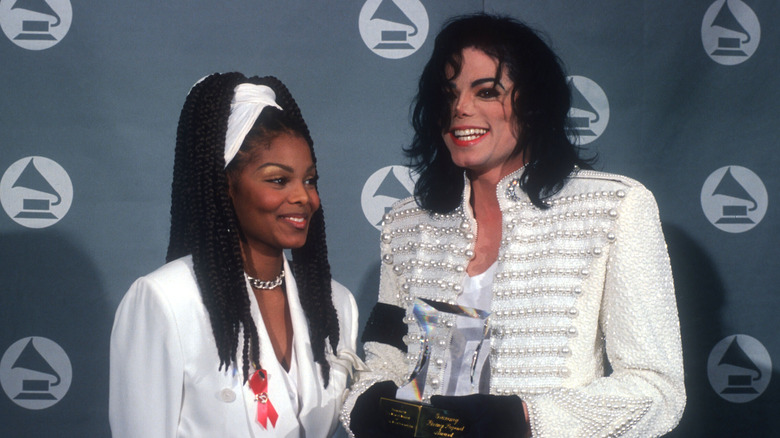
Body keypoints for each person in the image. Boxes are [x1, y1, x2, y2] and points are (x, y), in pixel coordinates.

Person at [343, 14, 685, 438]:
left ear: (533, 102)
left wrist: (527, 418)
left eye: (487, 91)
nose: (460, 109)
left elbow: (657, 389)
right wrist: (366, 401)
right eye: (448, 93)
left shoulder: (614, 207)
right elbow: (385, 359)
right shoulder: (406, 222)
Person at [110, 72, 362, 438]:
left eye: (310, 180)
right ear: (225, 186)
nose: (303, 198)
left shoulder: (335, 305)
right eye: (278, 180)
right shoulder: (166, 300)